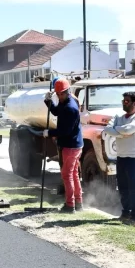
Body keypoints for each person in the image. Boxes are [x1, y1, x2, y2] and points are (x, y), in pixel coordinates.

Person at [103, 91, 135, 227]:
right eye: (123, 101)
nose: (124, 103)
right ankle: (126, 213)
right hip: (121, 158)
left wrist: (119, 131)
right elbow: (107, 129)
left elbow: (128, 129)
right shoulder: (118, 116)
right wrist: (122, 133)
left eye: (127, 101)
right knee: (123, 187)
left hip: (134, 159)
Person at [43, 78, 83, 213]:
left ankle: (70, 205)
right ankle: (78, 203)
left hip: (71, 145)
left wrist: (49, 132)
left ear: (68, 91)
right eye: (58, 94)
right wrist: (48, 101)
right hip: (74, 143)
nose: (60, 97)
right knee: (74, 174)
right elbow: (56, 112)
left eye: (62, 94)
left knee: (67, 175)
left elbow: (65, 131)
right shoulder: (65, 102)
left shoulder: (70, 107)